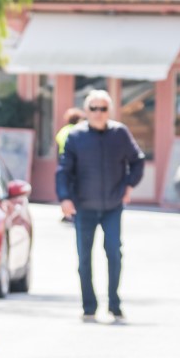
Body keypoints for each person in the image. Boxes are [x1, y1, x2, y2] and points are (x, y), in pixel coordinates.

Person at [56, 89, 144, 323]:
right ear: (86, 111)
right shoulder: (76, 136)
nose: (98, 113)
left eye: (103, 108)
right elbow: (64, 170)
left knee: (114, 253)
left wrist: (129, 185)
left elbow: (137, 161)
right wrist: (65, 198)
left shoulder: (120, 133)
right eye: (93, 108)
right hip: (84, 206)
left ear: (109, 111)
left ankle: (114, 304)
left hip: (113, 206)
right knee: (84, 258)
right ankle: (89, 306)